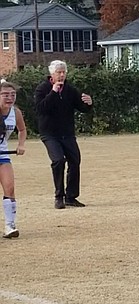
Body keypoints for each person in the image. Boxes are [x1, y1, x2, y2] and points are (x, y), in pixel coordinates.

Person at [34, 60, 93, 209]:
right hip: (49, 134)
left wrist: (89, 103)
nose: (61, 75)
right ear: (51, 75)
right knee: (58, 161)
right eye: (58, 72)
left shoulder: (70, 90)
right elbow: (41, 109)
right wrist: (53, 92)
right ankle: (59, 196)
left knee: (75, 160)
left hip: (67, 133)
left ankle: (71, 197)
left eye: (63, 72)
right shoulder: (42, 89)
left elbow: (82, 108)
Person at [0, 81, 27, 238]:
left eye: (13, 95)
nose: (9, 98)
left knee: (9, 188)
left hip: (3, 154)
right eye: (5, 95)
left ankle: (10, 226)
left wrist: (21, 144)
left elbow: (22, 130)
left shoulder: (15, 113)